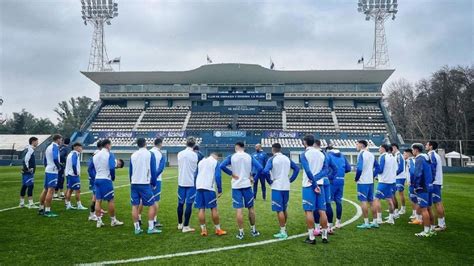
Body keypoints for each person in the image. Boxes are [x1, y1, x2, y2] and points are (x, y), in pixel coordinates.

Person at [220, 141, 263, 240]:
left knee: (239, 210)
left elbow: (221, 166)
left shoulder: (232, 156)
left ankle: (241, 233)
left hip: (236, 186)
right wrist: (253, 177)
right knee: (251, 209)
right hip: (247, 185)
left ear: (236, 147)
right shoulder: (249, 156)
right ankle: (253, 230)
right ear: (244, 147)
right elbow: (260, 168)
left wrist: (231, 174)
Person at [262, 143, 299, 240]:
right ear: (280, 149)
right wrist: (291, 179)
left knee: (279, 210)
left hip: (277, 186)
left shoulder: (272, 159)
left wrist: (270, 181)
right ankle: (284, 228)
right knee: (284, 208)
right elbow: (297, 168)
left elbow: (265, 171)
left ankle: (283, 232)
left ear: (272, 149)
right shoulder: (287, 158)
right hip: (286, 186)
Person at [299, 135, 329, 244]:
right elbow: (326, 170)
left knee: (308, 211)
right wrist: (316, 181)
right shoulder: (321, 154)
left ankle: (311, 238)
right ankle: (325, 236)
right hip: (320, 185)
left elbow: (307, 171)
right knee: (322, 211)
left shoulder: (304, 154)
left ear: (305, 142)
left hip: (309, 185)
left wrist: (313, 183)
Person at [129, 138, 160, 235]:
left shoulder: (133, 155)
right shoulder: (150, 154)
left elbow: (130, 171)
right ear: (145, 144)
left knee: (135, 206)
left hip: (134, 183)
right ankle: (151, 227)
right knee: (152, 205)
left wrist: (131, 182)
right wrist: (154, 183)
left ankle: (137, 228)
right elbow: (153, 170)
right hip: (145, 183)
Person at [93, 138, 125, 228]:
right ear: (107, 145)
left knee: (98, 201)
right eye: (110, 145)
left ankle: (99, 221)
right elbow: (111, 167)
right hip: (105, 179)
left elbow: (91, 167)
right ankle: (113, 220)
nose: (111, 147)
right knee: (110, 200)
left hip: (97, 178)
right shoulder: (109, 154)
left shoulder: (95, 155)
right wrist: (113, 176)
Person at [194, 152, 227, 237]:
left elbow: (195, 175)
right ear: (216, 157)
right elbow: (218, 176)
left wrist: (196, 186)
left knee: (201, 209)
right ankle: (218, 229)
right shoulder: (215, 162)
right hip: (209, 188)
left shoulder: (201, 162)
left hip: (199, 187)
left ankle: (203, 230)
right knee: (213, 209)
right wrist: (219, 190)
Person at [412, 143, 436, 237]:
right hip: (429, 185)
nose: (412, 152)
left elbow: (418, 174)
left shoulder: (419, 158)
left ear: (416, 150)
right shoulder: (427, 157)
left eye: (413, 150)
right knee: (429, 208)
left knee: (424, 209)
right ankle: (432, 229)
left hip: (422, 187)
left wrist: (416, 186)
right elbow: (433, 170)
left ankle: (426, 231)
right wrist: (430, 181)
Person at [177, 137, 199, 233]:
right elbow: (195, 168)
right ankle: (185, 226)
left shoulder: (180, 154)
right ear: (194, 145)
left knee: (180, 203)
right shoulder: (194, 155)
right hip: (191, 182)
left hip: (181, 181)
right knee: (189, 204)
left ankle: (180, 224)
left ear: (186, 144)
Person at [326, 145, 351, 229]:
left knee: (328, 202)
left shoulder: (328, 155)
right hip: (341, 181)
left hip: (331, 181)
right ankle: (338, 222)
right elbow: (348, 168)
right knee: (338, 201)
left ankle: (329, 224)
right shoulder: (342, 156)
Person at [354, 140, 378, 229]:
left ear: (361, 145)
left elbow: (359, 169)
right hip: (370, 181)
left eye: (357, 144)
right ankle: (375, 222)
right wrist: (372, 175)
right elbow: (378, 167)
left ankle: (366, 222)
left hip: (363, 181)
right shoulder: (371, 154)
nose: (356, 146)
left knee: (363, 201)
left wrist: (356, 178)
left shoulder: (361, 154)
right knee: (371, 201)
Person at [38, 134, 63, 217]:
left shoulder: (49, 147)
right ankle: (48, 211)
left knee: (45, 189)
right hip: (53, 171)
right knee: (51, 190)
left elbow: (45, 159)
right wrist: (59, 167)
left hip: (48, 169)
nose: (61, 141)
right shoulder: (55, 146)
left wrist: (47, 166)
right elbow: (56, 158)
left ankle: (41, 208)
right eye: (61, 140)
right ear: (58, 139)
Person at [426, 141, 446, 231]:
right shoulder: (435, 155)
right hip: (436, 182)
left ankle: (441, 225)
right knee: (438, 203)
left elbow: (432, 169)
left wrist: (430, 180)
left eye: (427, 144)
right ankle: (441, 223)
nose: (425, 146)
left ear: (430, 146)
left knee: (437, 203)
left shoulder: (432, 155)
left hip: (434, 183)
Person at [313, 140, 332, 235]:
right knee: (326, 205)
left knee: (317, 206)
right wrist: (330, 178)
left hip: (317, 182)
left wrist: (315, 178)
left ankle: (317, 228)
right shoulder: (325, 154)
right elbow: (334, 168)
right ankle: (329, 227)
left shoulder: (314, 154)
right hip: (326, 181)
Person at [374, 144, 396, 225]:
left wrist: (375, 172)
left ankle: (379, 219)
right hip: (391, 181)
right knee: (389, 199)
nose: (378, 150)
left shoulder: (383, 156)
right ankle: (391, 218)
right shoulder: (392, 157)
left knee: (376, 199)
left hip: (384, 181)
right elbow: (395, 169)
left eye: (379, 148)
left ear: (383, 148)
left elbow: (380, 169)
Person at [148, 137, 166, 228]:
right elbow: (161, 168)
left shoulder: (148, 152)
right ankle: (154, 220)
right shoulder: (160, 154)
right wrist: (154, 177)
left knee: (140, 201)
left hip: (146, 179)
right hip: (156, 180)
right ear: (160, 144)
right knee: (155, 200)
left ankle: (138, 219)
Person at [64, 142, 87, 210]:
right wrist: (76, 172)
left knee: (70, 190)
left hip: (69, 174)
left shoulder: (70, 154)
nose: (81, 148)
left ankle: (68, 204)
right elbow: (74, 164)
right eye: (80, 147)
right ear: (76, 147)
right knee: (77, 190)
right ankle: (79, 205)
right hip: (73, 175)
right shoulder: (75, 154)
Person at [19, 137, 39, 209]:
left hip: (26, 171)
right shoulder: (30, 149)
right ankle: (31, 204)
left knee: (24, 186)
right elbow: (26, 159)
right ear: (33, 141)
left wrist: (24, 168)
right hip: (28, 172)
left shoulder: (28, 148)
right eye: (37, 141)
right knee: (30, 186)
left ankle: (21, 203)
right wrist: (27, 168)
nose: (37, 143)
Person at [404, 149, 422, 225]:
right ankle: (416, 215)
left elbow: (412, 172)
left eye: (404, 154)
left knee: (415, 199)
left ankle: (418, 218)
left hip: (413, 183)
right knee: (414, 199)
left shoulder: (410, 161)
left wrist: (410, 181)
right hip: (413, 182)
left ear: (408, 154)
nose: (403, 155)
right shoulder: (412, 160)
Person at [87, 140, 104, 221]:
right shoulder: (97, 154)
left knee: (97, 196)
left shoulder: (97, 153)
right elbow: (90, 167)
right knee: (95, 197)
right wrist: (94, 176)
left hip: (96, 177)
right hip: (95, 178)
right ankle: (92, 214)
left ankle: (98, 210)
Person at [392, 143, 406, 216]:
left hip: (400, 177)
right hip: (396, 177)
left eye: (392, 148)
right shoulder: (396, 156)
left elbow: (400, 168)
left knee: (400, 193)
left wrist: (393, 174)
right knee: (393, 193)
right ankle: (395, 209)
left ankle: (403, 208)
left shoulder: (399, 156)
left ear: (394, 147)